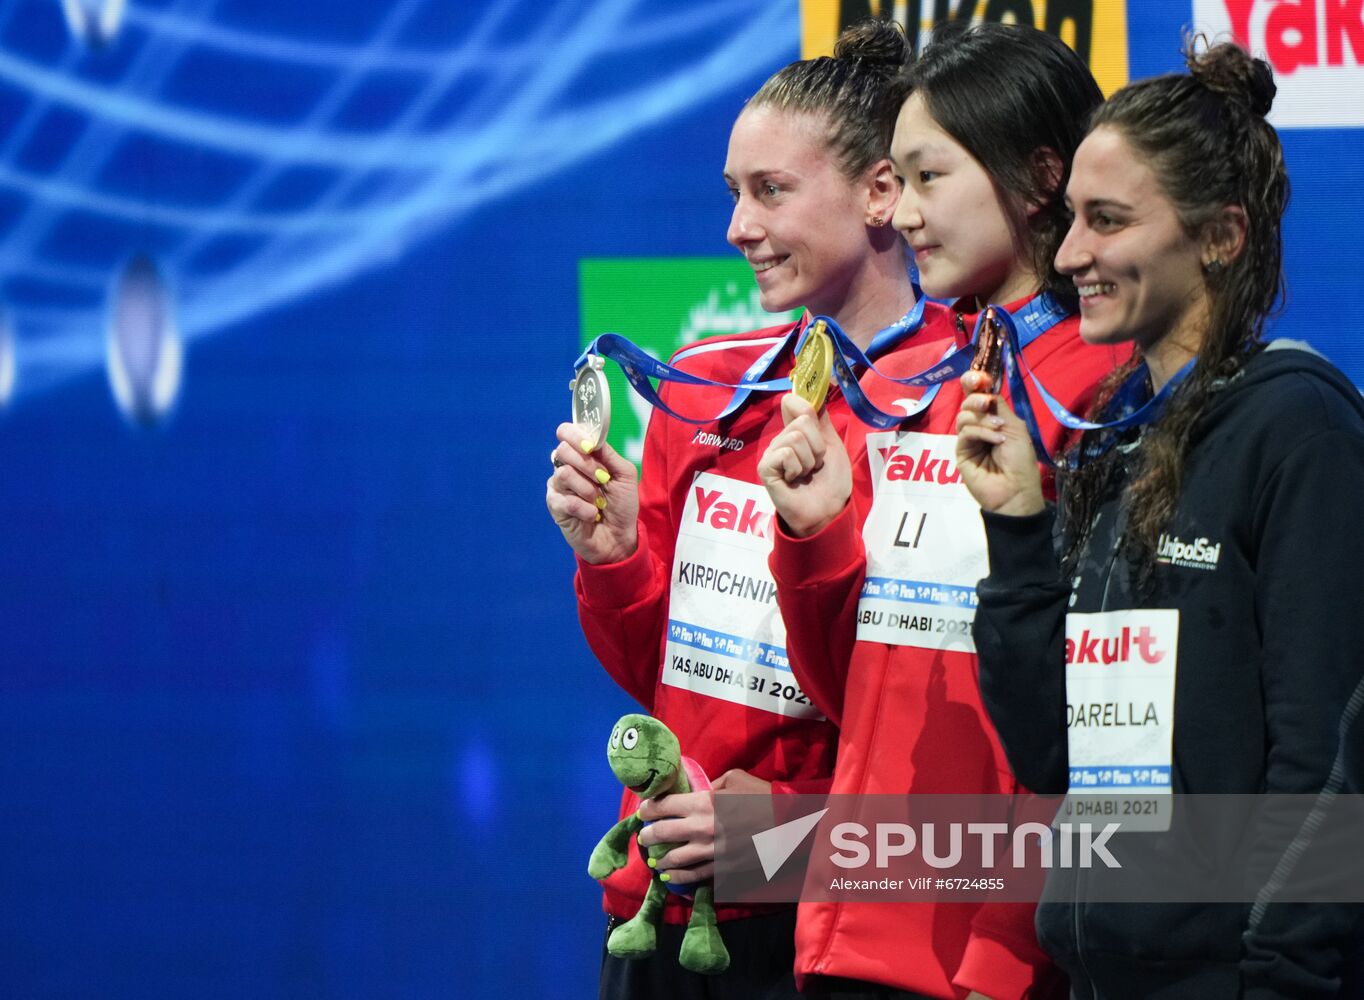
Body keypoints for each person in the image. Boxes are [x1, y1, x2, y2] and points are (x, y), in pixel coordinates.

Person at [955, 39, 1364, 999]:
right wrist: (1018, 530)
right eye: (1068, 221)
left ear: (1220, 236)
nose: (1068, 256)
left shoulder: (1300, 429)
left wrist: (1280, 979)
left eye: (1107, 221)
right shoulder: (1104, 431)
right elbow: (1054, 752)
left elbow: (1326, 770)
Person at [546, 20, 938, 998]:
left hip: (839, 932)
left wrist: (785, 838)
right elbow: (667, 681)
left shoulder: (964, 414)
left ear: (879, 193)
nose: (736, 227)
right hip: (660, 917)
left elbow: (939, 731)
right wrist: (614, 560)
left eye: (770, 192)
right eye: (732, 192)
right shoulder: (704, 393)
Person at [756, 20, 1124, 1000]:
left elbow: (1101, 725)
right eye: (896, 181)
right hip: (848, 934)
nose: (904, 214)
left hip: (985, 959)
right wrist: (818, 531)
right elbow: (849, 693)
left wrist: (1006, 942)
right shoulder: (916, 382)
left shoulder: (1101, 390)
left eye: (928, 177)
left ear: (1039, 176)